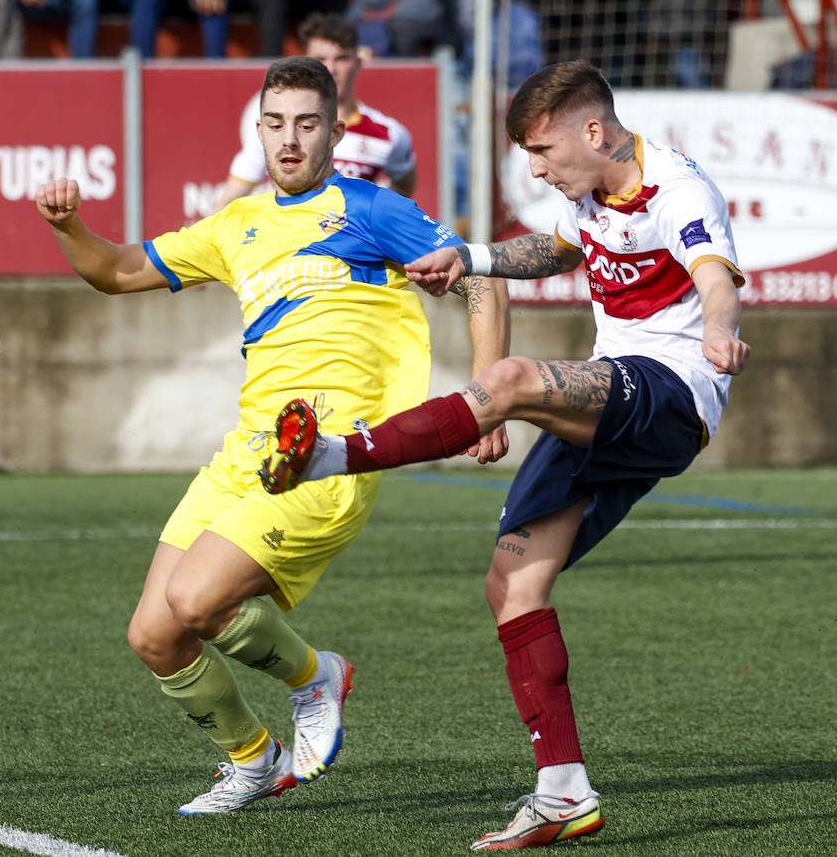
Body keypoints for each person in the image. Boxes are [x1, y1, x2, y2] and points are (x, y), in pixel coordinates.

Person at [260, 60, 749, 849]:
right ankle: (563, 793)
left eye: (544, 150)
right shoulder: (588, 194)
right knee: (513, 582)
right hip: (612, 396)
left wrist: (721, 328)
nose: (537, 168)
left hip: (672, 394)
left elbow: (714, 275)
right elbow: (556, 254)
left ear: (594, 131)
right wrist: (472, 258)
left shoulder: (681, 189)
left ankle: (330, 456)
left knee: (514, 378)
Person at [34, 55, 509, 815]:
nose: (290, 139)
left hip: (324, 457)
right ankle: (252, 760)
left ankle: (314, 675)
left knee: (195, 599)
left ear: (336, 129)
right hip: (244, 454)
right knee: (155, 636)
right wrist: (67, 226)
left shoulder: (369, 209)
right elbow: (119, 272)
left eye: (308, 124)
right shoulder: (238, 223)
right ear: (258, 130)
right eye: (276, 123)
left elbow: (482, 277)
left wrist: (486, 393)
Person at [214, 13, 417, 211]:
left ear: (359, 62)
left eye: (342, 58)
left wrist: (375, 222)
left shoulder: (388, 134)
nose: (330, 68)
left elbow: (403, 188)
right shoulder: (280, 130)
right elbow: (226, 204)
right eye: (321, 58)